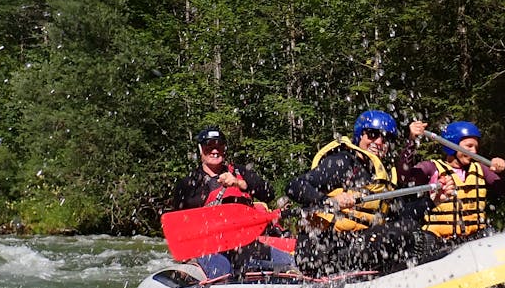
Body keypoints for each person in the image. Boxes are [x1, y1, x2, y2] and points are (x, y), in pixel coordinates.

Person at [285, 110, 454, 276]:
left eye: (385, 138)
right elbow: (294, 186)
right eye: (372, 135)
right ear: (360, 136)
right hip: (321, 251)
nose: (379, 141)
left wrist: (431, 201)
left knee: (419, 234)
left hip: (354, 248)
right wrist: (329, 200)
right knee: (404, 231)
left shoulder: (383, 177)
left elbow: (400, 217)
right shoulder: (343, 162)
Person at [169, 127, 291, 276]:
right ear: (201, 150)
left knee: (292, 263)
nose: (215, 151)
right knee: (221, 271)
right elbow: (178, 225)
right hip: (210, 248)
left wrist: (240, 184)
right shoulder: (189, 184)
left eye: (219, 146)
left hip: (246, 244)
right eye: (209, 146)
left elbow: (268, 193)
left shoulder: (240, 172)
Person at [402, 120, 505, 251]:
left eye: (476, 147)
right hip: (439, 241)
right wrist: (411, 141)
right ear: (451, 146)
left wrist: (503, 173)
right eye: (469, 146)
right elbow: (405, 176)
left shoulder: (481, 169)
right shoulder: (431, 168)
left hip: (475, 238)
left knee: (490, 235)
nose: (474, 151)